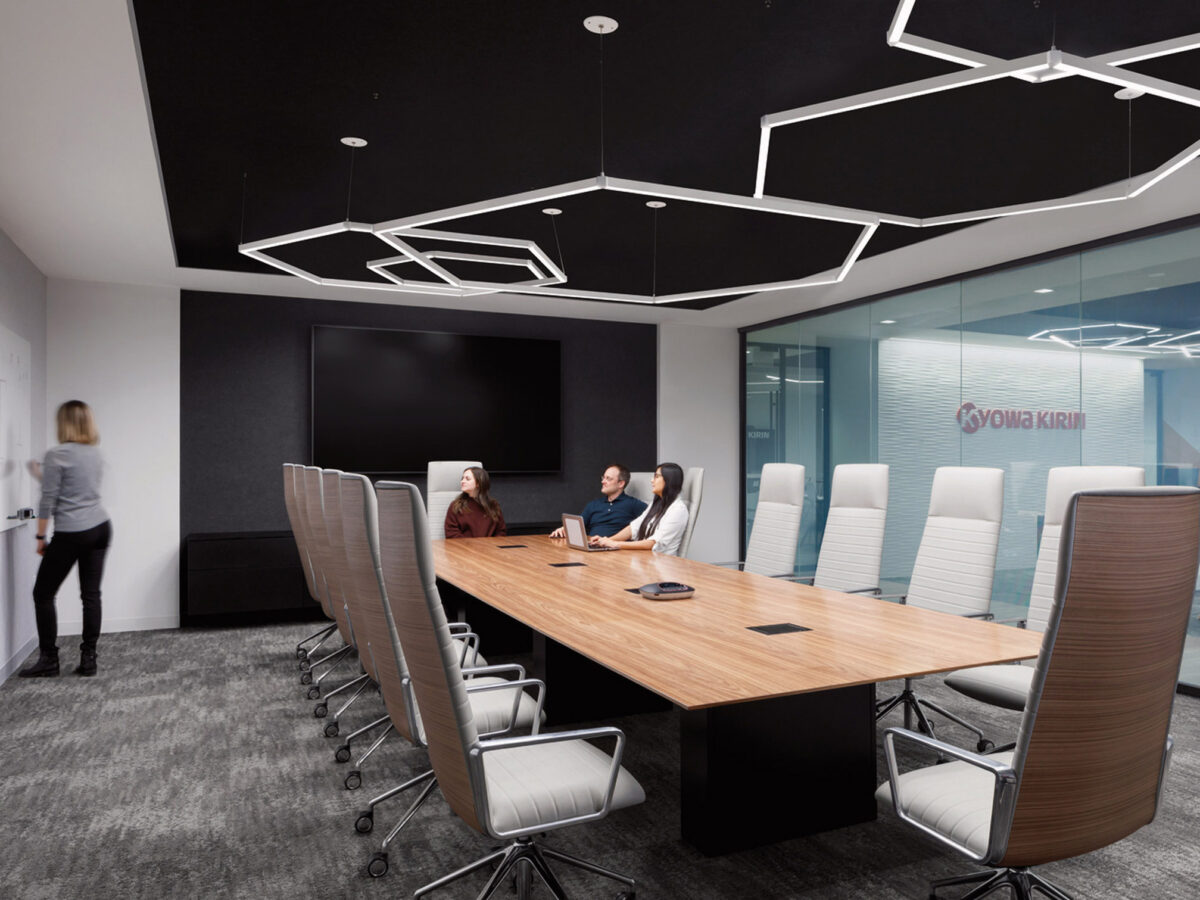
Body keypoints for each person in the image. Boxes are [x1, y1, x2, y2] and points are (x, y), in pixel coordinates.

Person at [18, 400, 112, 678]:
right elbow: (75, 489)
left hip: (73, 532)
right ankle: (89, 659)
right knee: (91, 595)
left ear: (64, 423)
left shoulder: (57, 454)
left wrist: (40, 536)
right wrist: (42, 475)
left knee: (43, 593)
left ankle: (49, 659)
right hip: (100, 527)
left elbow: (49, 499)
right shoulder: (96, 454)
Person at [589, 462, 688, 556]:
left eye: (656, 476)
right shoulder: (656, 504)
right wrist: (606, 540)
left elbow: (653, 543)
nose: (652, 480)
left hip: (661, 562)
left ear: (669, 480)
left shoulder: (678, 510)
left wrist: (615, 544)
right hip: (643, 558)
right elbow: (633, 528)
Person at [550, 463, 647, 539]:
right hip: (592, 547)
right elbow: (578, 526)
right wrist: (564, 529)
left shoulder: (633, 504)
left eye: (608, 479)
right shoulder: (593, 505)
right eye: (603, 478)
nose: (603, 481)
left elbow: (653, 519)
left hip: (617, 550)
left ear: (620, 484)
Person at [444, 466, 506, 538]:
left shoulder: (493, 505)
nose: (462, 481)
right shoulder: (456, 505)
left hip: (490, 545)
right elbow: (451, 533)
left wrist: (490, 544)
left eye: (467, 479)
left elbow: (501, 532)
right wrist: (471, 544)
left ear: (478, 483)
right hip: (464, 545)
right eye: (462, 478)